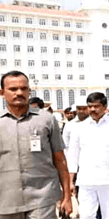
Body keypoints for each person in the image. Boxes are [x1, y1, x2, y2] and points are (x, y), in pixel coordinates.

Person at [0, 71, 72, 218]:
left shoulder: (46, 119)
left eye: (23, 88)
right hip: (6, 200)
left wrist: (67, 197)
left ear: (29, 91)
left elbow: (60, 159)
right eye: (13, 89)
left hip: (42, 197)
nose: (19, 92)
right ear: (2, 92)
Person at [67, 92, 109, 219]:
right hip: (86, 180)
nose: (92, 109)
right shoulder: (79, 128)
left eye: (96, 106)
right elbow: (73, 155)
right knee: (86, 215)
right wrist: (70, 180)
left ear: (105, 106)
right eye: (90, 106)